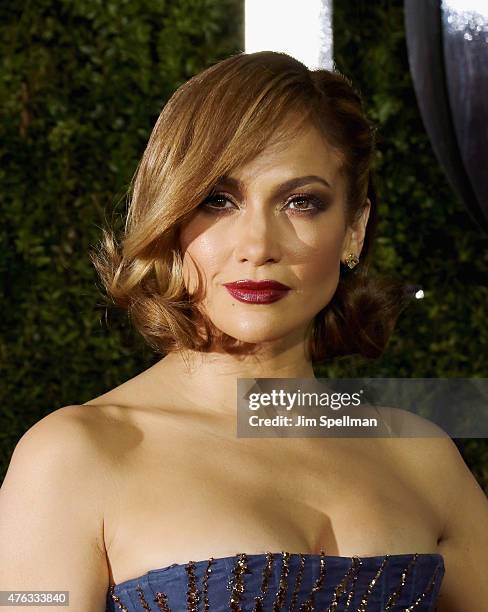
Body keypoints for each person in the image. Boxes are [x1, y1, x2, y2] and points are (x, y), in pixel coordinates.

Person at [1, 51, 487, 612]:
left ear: (354, 230)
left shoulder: (419, 454)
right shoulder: (75, 455)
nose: (257, 245)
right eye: (218, 201)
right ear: (171, 216)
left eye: (301, 202)